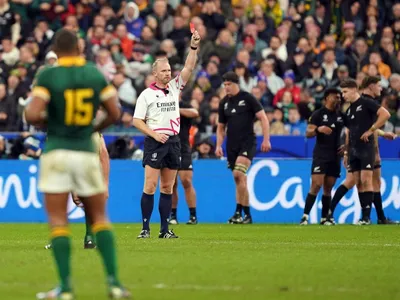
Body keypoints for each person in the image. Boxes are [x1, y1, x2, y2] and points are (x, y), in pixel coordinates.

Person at [24, 29, 130, 299]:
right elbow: (115, 112)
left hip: (58, 151)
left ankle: (66, 288)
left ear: (57, 51)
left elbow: (32, 113)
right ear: (79, 48)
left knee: (59, 219)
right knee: (99, 217)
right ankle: (115, 283)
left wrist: (53, 124)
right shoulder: (94, 73)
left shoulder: (48, 75)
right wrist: (91, 127)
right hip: (85, 150)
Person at [132, 29, 201, 239]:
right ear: (155, 73)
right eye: (164, 71)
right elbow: (136, 120)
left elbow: (189, 67)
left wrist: (194, 46)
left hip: (173, 141)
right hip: (155, 141)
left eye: (169, 70)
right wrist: (153, 134)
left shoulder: (174, 88)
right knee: (150, 185)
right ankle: (145, 228)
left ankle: (164, 230)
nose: (168, 73)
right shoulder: (146, 94)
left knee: (167, 186)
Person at [328, 76, 397, 224]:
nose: (343, 95)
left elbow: (383, 116)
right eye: (342, 92)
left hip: (367, 148)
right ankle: (368, 217)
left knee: (367, 181)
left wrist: (374, 131)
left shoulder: (366, 103)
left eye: (345, 92)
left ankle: (369, 217)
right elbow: (350, 131)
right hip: (355, 149)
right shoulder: (351, 108)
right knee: (359, 182)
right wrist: (346, 151)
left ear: (354, 90)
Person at [215, 71, 272, 224]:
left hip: (247, 142)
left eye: (229, 84)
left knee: (238, 174)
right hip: (231, 145)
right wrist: (218, 145)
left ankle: (238, 212)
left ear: (236, 84)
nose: (226, 87)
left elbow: (263, 118)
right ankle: (246, 215)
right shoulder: (223, 103)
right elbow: (220, 127)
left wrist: (266, 139)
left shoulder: (247, 98)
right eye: (224, 85)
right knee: (239, 179)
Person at [299, 88, 344, 225]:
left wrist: (346, 147)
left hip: (336, 155)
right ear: (326, 98)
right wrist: (319, 129)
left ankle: (325, 218)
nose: (338, 99)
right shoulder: (318, 114)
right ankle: (305, 216)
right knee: (316, 184)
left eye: (339, 97)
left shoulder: (341, 116)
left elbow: (351, 132)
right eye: (334, 97)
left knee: (328, 187)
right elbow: (308, 133)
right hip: (321, 154)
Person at [170, 101, 199, 225]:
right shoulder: (160, 104)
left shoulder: (182, 104)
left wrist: (176, 109)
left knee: (186, 181)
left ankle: (193, 215)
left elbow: (195, 113)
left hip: (183, 149)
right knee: (171, 184)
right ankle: (172, 216)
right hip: (167, 149)